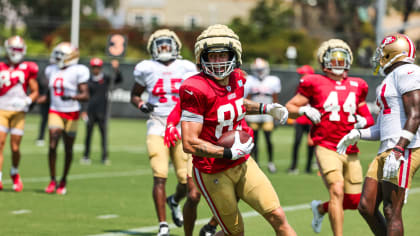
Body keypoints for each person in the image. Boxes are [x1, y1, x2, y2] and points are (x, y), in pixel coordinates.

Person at [179, 24, 296, 236]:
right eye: (212, 57)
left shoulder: (238, 78)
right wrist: (225, 152)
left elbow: (234, 103)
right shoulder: (195, 88)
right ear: (201, 57)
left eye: (223, 55)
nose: (218, 62)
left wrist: (265, 108)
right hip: (212, 169)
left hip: (242, 161)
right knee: (235, 233)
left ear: (234, 54)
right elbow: (189, 142)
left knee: (278, 216)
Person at [285, 39, 374, 235]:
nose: (339, 62)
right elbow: (289, 108)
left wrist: (361, 121)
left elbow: (368, 118)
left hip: (350, 148)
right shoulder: (314, 81)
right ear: (324, 61)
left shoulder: (357, 84)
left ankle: (320, 209)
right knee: (336, 189)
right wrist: (304, 111)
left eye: (342, 58)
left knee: (352, 201)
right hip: (326, 145)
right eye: (334, 58)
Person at [336, 33, 420, 236]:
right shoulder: (388, 80)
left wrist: (399, 149)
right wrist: (357, 133)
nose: (379, 56)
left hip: (405, 148)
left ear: (394, 52)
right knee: (366, 206)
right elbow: (383, 128)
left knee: (392, 209)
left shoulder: (407, 71)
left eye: (383, 52)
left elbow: (416, 114)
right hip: (388, 147)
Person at [130, 29, 197, 236]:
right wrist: (141, 104)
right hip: (157, 125)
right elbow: (134, 95)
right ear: (153, 48)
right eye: (160, 45)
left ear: (175, 46)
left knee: (186, 181)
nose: (164, 48)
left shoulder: (186, 67)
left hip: (180, 127)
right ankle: (163, 225)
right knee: (159, 176)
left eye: (167, 44)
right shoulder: (146, 68)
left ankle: (174, 200)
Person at [40, 42, 89, 195]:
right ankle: (52, 179)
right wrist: (38, 100)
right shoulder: (51, 70)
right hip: (55, 111)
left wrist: (72, 96)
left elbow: (85, 95)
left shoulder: (78, 71)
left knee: (68, 148)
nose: (58, 57)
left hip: (72, 113)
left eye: (62, 55)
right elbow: (49, 93)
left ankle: (63, 179)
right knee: (53, 144)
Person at [164, 101, 220, 236]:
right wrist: (171, 125)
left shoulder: (230, 86)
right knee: (193, 195)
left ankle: (211, 226)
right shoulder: (195, 87)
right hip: (199, 148)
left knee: (234, 193)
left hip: (223, 147)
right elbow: (178, 108)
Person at [0, 36, 39, 191]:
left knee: (15, 147)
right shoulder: (1, 66)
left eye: (19, 49)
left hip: (18, 112)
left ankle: (14, 172)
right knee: (0, 144)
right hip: (2, 109)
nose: (16, 53)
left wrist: (26, 101)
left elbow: (35, 91)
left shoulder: (28, 67)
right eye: (14, 49)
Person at [80, 57, 123, 165]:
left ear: (101, 68)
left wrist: (116, 69)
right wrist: (84, 110)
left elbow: (119, 80)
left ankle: (104, 156)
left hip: (103, 112)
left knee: (104, 135)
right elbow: (85, 97)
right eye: (94, 67)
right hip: (90, 112)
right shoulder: (88, 81)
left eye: (98, 67)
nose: (96, 69)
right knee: (88, 135)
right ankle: (86, 156)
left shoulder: (106, 79)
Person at [244, 58, 281, 173]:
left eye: (262, 69)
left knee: (268, 139)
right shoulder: (250, 80)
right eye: (258, 69)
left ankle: (271, 162)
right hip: (253, 114)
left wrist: (276, 114)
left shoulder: (273, 80)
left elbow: (275, 98)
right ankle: (256, 162)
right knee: (254, 140)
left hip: (267, 114)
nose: (260, 72)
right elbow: (247, 98)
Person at [288, 65, 316, 174]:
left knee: (311, 143)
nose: (301, 76)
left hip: (311, 120)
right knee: (297, 142)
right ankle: (293, 166)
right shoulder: (299, 87)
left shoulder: (315, 87)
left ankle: (308, 167)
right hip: (301, 118)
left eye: (303, 73)